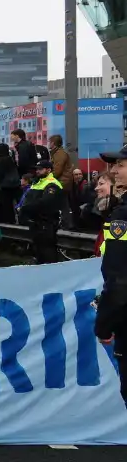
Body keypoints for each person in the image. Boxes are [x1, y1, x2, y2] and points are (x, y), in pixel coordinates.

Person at [93, 144, 127, 408]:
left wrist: (104, 323)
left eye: (121, 165)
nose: (114, 171)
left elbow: (119, 279)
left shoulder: (123, 216)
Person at [18, 160, 64, 264]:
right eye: (37, 169)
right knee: (38, 251)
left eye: (40, 169)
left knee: (47, 253)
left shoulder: (52, 184)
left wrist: (25, 208)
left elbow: (45, 203)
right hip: (35, 223)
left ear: (48, 170)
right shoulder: (37, 182)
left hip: (46, 224)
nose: (37, 171)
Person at [0, 143, 20, 224]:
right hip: (14, 186)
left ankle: (5, 222)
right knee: (10, 207)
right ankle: (11, 221)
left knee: (5, 207)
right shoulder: (10, 158)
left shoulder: (2, 160)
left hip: (4, 188)